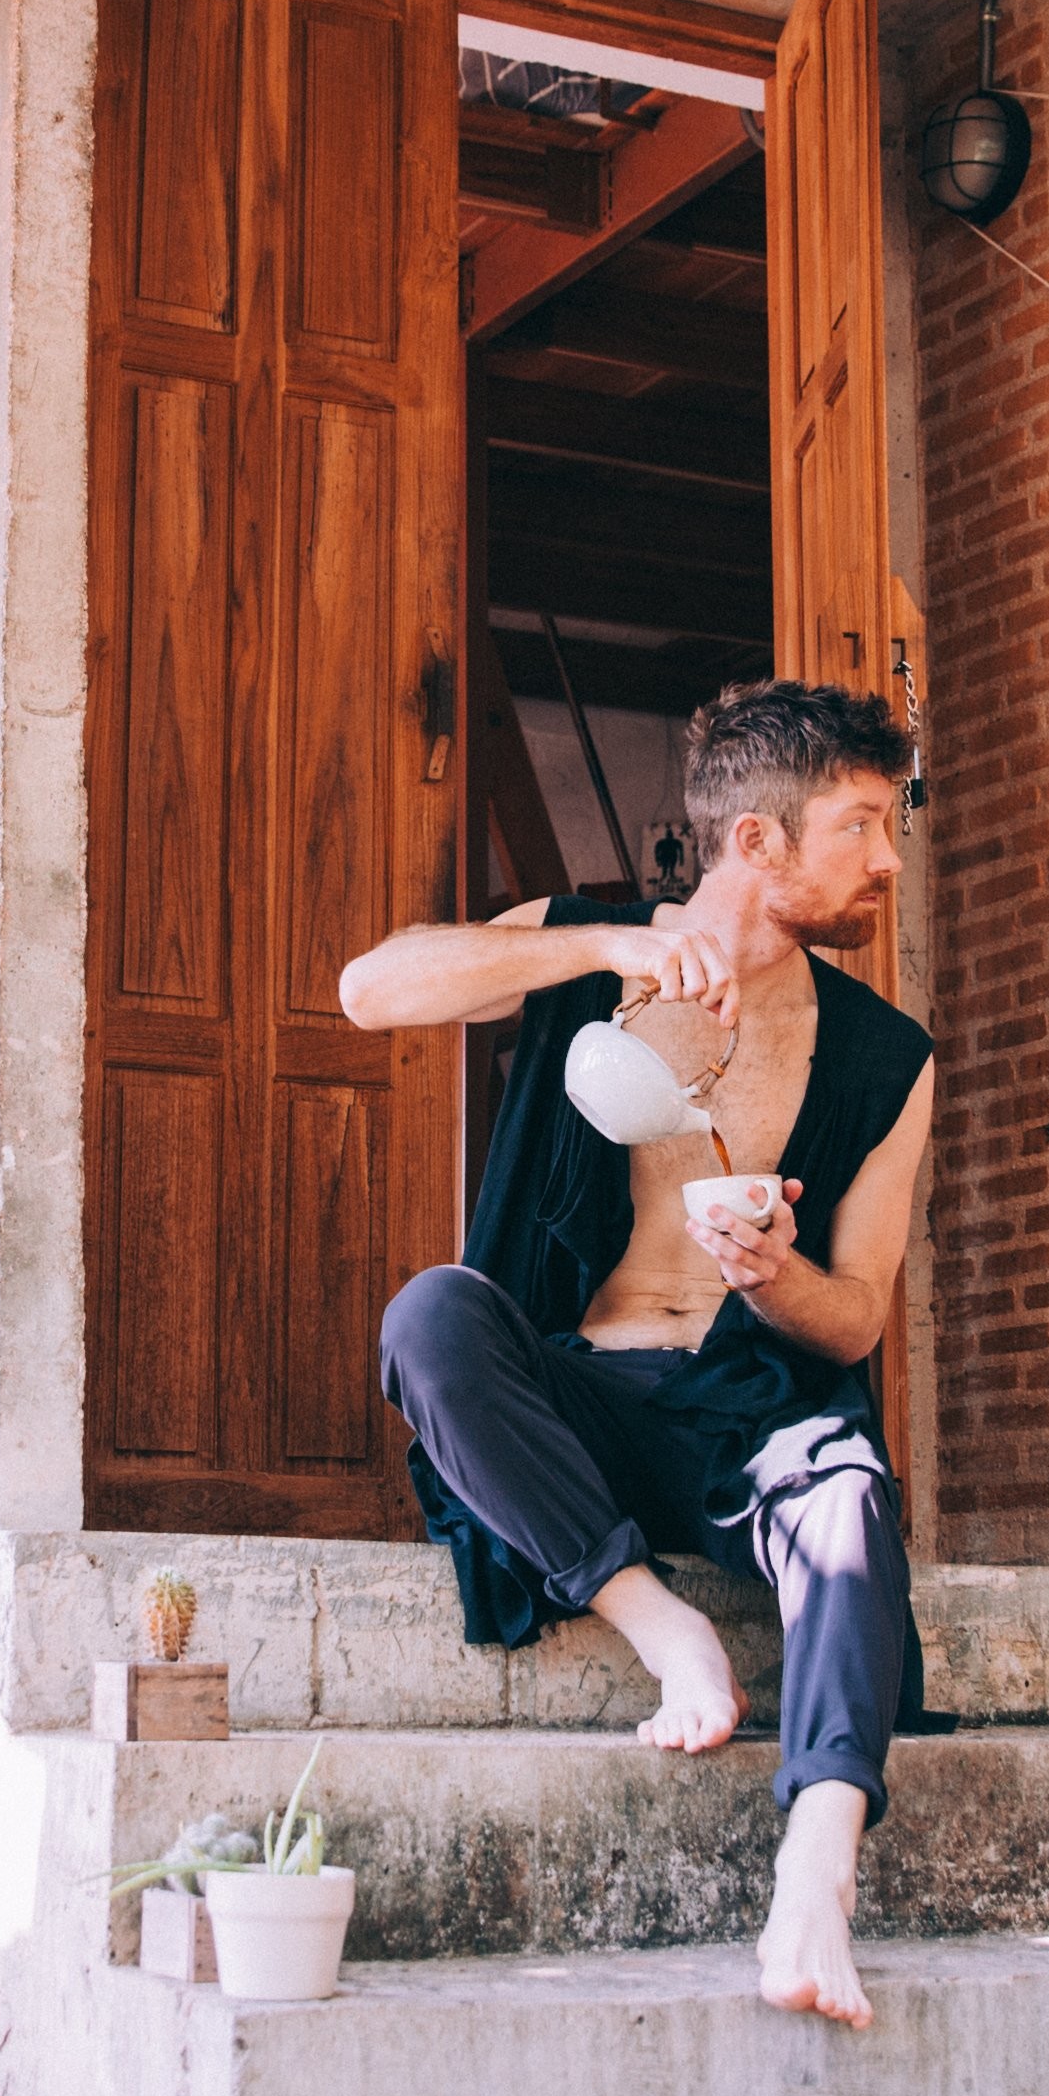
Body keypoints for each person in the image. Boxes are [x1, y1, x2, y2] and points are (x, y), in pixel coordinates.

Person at [335, 677, 935, 2026]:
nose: (889, 859)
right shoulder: (586, 948)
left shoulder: (888, 1058)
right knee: (432, 1313)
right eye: (862, 825)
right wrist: (592, 947)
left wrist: (780, 1277)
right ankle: (665, 1634)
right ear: (760, 844)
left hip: (747, 1406)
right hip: (580, 1392)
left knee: (845, 1493)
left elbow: (859, 1318)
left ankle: (817, 1873)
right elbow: (372, 990)